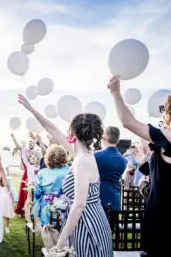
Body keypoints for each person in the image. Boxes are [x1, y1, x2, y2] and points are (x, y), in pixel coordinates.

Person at [19, 94, 113, 257]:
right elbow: (52, 129)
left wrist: (61, 241)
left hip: (88, 224)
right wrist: (32, 109)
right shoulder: (78, 153)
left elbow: (79, 205)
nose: (64, 130)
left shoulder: (83, 160)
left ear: (74, 132)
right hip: (83, 221)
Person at [108, 76, 171, 256]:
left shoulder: (170, 139)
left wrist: (115, 93)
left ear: (168, 116)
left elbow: (128, 122)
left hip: (164, 223)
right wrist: (143, 164)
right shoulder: (166, 143)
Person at [33, 145, 70, 226]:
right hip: (66, 210)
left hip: (47, 211)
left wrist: (35, 214)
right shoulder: (70, 171)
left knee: (48, 235)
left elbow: (37, 196)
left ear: (48, 158)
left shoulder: (42, 173)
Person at [95, 126, 127, 211]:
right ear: (118, 140)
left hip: (100, 200)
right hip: (115, 201)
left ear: (104, 137)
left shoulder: (96, 156)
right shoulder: (124, 160)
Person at [11, 133, 36, 216]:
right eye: (30, 143)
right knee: (24, 194)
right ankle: (24, 211)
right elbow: (23, 154)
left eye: (32, 142)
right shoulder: (26, 160)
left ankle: (32, 211)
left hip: (35, 179)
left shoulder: (37, 153)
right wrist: (14, 137)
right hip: (26, 178)